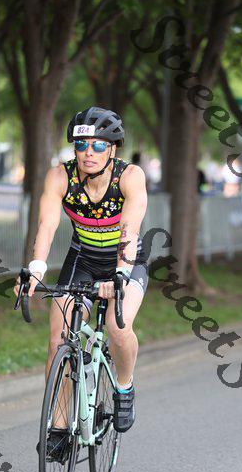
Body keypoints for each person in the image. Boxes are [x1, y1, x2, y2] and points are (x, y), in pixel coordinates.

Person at [14, 106, 148, 452]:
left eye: (98, 145)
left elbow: (129, 230)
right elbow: (47, 225)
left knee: (118, 328)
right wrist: (36, 268)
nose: (89, 153)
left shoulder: (129, 176)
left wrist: (120, 275)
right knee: (58, 339)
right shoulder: (60, 177)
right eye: (81, 145)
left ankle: (124, 386)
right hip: (83, 259)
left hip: (125, 260)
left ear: (113, 149)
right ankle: (59, 426)